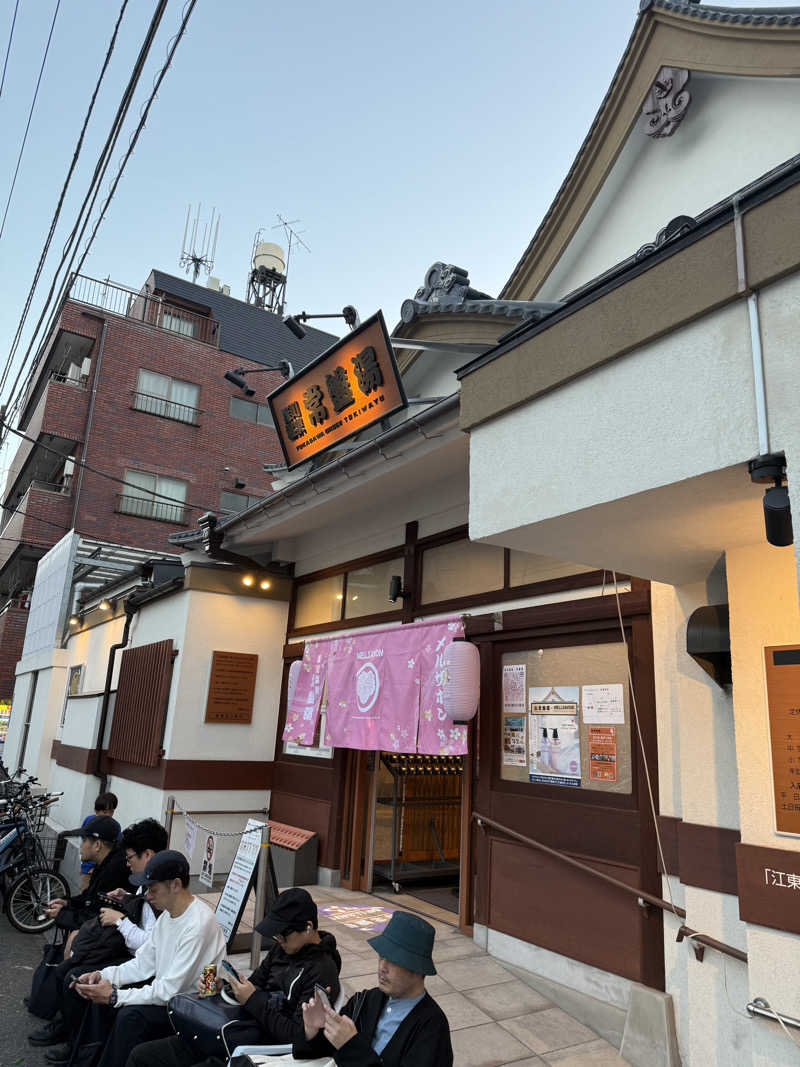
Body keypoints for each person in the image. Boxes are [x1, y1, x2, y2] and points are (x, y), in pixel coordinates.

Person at [127, 887, 342, 1067]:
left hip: (253, 1047)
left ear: (308, 927)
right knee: (141, 1055)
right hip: (233, 1028)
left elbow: (294, 1035)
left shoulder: (322, 971)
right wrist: (226, 986)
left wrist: (252, 1000)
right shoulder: (283, 949)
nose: (278, 940)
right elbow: (256, 983)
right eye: (275, 935)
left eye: (282, 935)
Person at [70, 850, 226, 1067]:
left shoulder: (198, 925)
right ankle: (83, 1059)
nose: (148, 896)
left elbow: (169, 991)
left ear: (175, 885)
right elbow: (144, 963)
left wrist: (116, 996)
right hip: (172, 996)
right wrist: (102, 976)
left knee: (130, 1016)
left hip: (193, 1007)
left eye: (153, 889)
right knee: (102, 993)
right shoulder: (168, 916)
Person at [31, 819, 169, 1063]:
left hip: (144, 965)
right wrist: (127, 898)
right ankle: (74, 1040)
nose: (127, 865)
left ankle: (80, 1047)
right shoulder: (147, 882)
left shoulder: (165, 892)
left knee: (78, 977)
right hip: (134, 958)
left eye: (130, 858)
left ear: (147, 855)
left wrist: (119, 921)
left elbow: (152, 948)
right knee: (75, 972)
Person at [294, 911, 453, 1067]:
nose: (382, 967)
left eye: (393, 960)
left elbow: (348, 1049)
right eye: (381, 956)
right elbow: (322, 1051)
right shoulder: (365, 1000)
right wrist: (312, 1029)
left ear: (418, 969)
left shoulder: (432, 1028)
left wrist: (350, 1045)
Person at [46, 815, 130, 958]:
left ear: (97, 845)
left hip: (112, 943)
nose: (81, 845)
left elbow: (97, 915)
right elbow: (89, 897)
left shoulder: (115, 870)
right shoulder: (105, 863)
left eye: (84, 840)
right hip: (103, 935)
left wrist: (62, 914)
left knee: (73, 942)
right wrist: (68, 902)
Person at [80, 793, 119, 889]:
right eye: (105, 812)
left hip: (103, 871)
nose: (108, 815)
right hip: (87, 869)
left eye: (111, 811)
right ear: (96, 811)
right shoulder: (88, 821)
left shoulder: (114, 827)